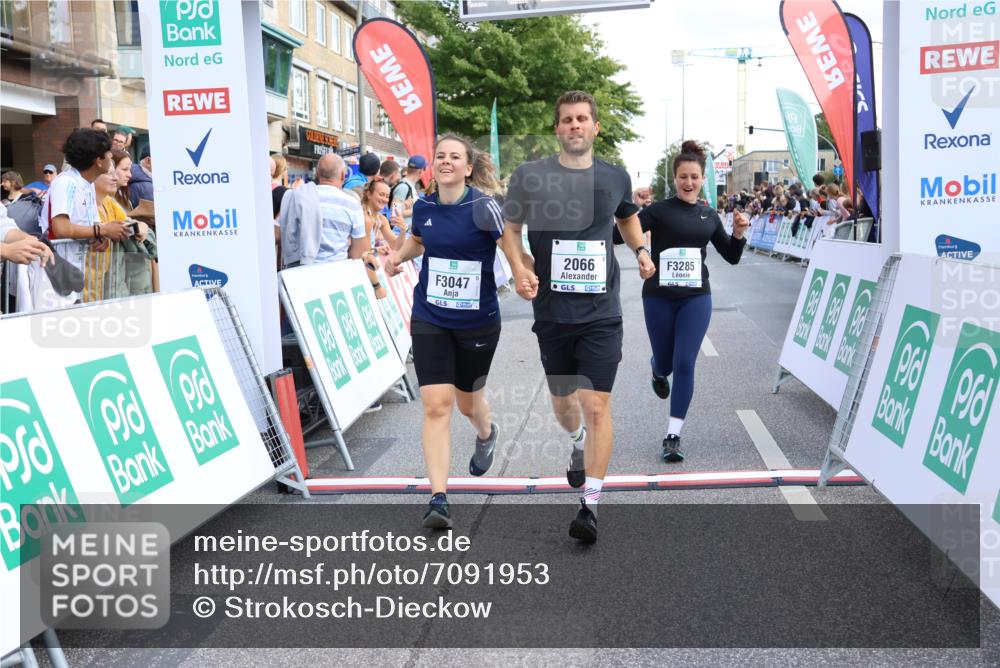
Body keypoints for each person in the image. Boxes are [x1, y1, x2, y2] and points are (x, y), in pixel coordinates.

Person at [500, 90, 655, 544]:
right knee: (565, 406)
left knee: (597, 404)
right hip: (551, 312)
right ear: (557, 129)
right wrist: (520, 267)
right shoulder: (530, 176)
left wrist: (641, 249)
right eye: (566, 119)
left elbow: (626, 218)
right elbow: (509, 230)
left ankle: (590, 504)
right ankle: (575, 445)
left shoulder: (615, 177)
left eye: (582, 119)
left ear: (595, 127)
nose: (574, 126)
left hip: (601, 312)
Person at [384, 135, 504, 529]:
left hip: (477, 320)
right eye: (441, 157)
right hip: (431, 315)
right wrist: (396, 258)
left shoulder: (485, 207)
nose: (446, 162)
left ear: (468, 167)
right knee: (436, 404)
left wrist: (523, 273)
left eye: (455, 157)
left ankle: (486, 433)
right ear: (432, 166)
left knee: (469, 403)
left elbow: (510, 245)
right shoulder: (423, 206)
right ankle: (439, 498)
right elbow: (419, 241)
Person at [637, 140, 749, 463]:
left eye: (695, 177)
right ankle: (657, 371)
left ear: (702, 180)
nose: (689, 182)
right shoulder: (657, 212)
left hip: (696, 299)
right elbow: (620, 235)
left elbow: (730, 256)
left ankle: (672, 435)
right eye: (683, 177)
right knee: (666, 362)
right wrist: (632, 211)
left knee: (685, 362)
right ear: (674, 179)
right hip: (658, 296)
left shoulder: (708, 215)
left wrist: (739, 233)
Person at [40, 129, 129, 297]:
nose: (111, 157)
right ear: (99, 161)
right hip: (55, 271)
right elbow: (61, 228)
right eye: (109, 154)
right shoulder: (66, 183)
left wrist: (98, 237)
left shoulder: (89, 184)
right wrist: (102, 231)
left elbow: (93, 226)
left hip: (75, 270)